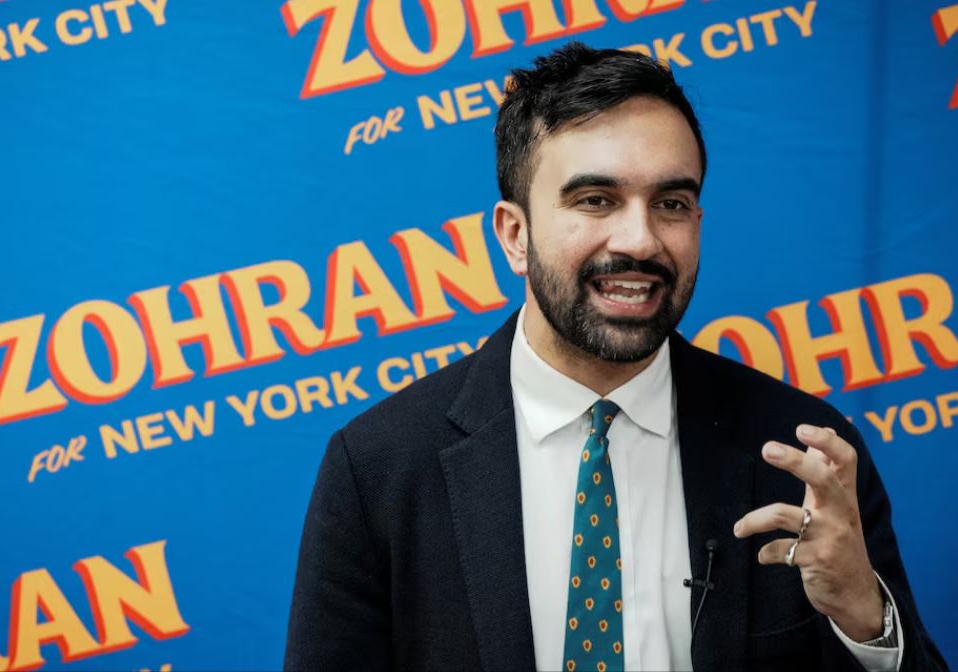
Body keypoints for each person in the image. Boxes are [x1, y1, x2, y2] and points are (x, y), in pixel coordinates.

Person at [283, 43, 945, 671]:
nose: (640, 239)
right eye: (596, 200)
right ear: (515, 235)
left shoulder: (802, 456)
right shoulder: (378, 469)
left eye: (672, 204)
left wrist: (864, 618)